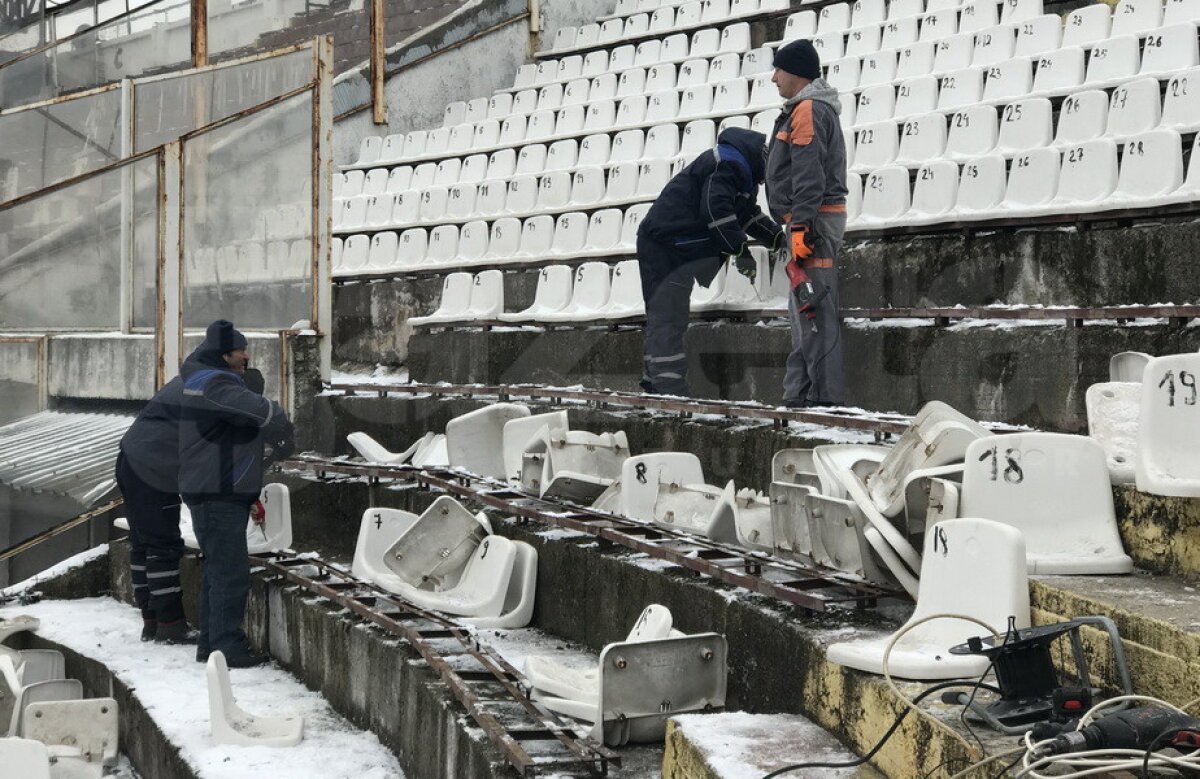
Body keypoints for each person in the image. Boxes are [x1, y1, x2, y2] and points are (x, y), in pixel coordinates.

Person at [636, 127, 785, 396]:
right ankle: (668, 388)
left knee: (672, 316)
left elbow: (744, 213)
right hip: (663, 244)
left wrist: (775, 236)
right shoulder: (729, 164)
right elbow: (715, 209)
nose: (767, 181)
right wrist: (740, 250)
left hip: (675, 244)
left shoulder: (739, 167)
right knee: (667, 315)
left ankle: (657, 382)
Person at [179, 320, 294, 667]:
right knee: (230, 574)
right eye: (241, 349)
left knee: (218, 570)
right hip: (219, 491)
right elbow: (261, 411)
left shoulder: (202, 379)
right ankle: (228, 648)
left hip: (211, 489)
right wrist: (281, 422)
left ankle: (211, 648)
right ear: (225, 353)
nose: (247, 355)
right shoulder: (215, 384)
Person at [765, 39, 849, 408]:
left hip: (812, 225)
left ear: (796, 72)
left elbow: (808, 175)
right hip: (806, 222)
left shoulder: (808, 110)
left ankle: (824, 403)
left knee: (814, 316)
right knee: (803, 316)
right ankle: (797, 397)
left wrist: (800, 227)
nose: (773, 78)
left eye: (778, 70)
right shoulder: (804, 109)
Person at [115, 368, 194, 645]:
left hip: (129, 460)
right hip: (151, 470)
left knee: (143, 544)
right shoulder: (209, 387)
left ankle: (151, 621)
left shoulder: (186, 379)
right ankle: (171, 625)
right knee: (163, 545)